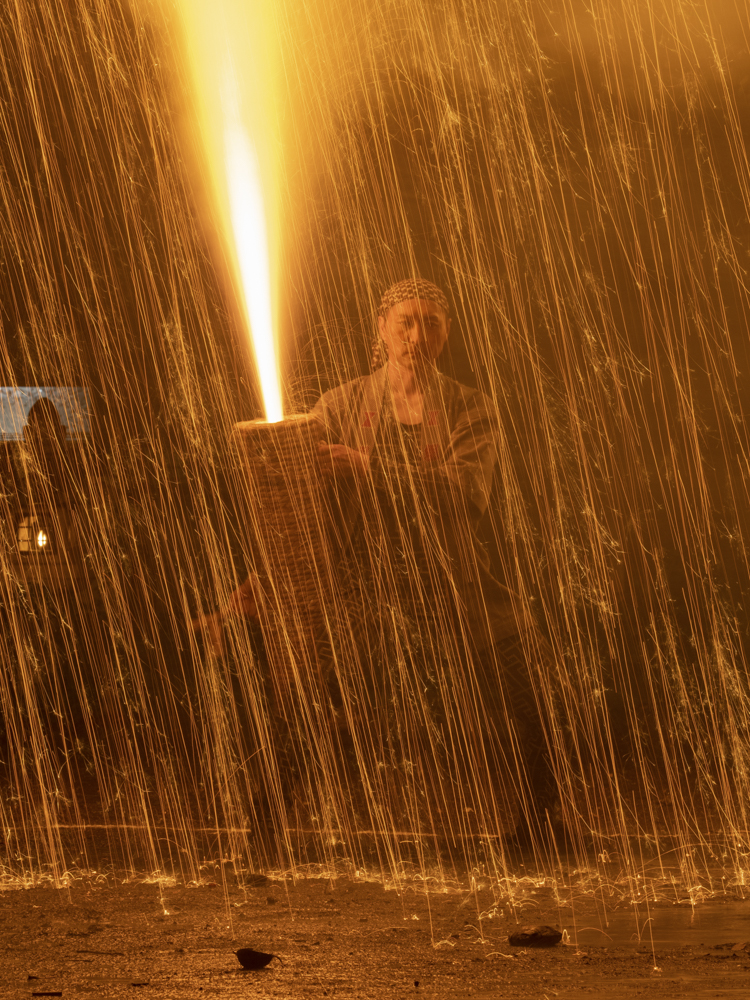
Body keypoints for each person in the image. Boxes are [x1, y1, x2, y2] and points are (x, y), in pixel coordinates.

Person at [193, 278, 556, 834]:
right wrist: (255, 587)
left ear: (446, 332)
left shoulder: (471, 408)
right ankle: (265, 827)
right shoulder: (341, 406)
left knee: (521, 694)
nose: (417, 334)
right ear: (381, 330)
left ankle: (544, 821)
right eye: (405, 321)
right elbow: (298, 511)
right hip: (366, 587)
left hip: (453, 580)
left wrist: (370, 468)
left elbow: (463, 495)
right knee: (319, 699)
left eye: (431, 322)